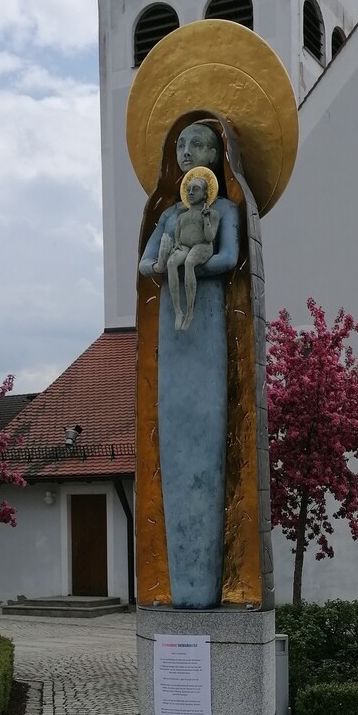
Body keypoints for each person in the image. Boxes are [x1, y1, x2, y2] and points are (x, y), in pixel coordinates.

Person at [138, 121, 241, 609]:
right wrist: (161, 263)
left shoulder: (225, 210)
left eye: (197, 144)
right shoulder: (167, 215)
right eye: (179, 144)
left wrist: (193, 262)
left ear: (217, 155)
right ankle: (184, 590)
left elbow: (229, 258)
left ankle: (202, 589)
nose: (186, 152)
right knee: (176, 433)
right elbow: (145, 263)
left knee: (206, 432)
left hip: (208, 321)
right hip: (172, 326)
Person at [152, 167, 219, 332]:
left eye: (195, 189)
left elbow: (210, 237)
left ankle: (190, 312)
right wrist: (176, 244)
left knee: (189, 263)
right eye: (188, 189)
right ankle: (178, 311)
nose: (190, 192)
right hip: (185, 246)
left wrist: (206, 219)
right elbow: (178, 234)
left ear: (205, 194)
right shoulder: (182, 216)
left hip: (202, 246)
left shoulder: (212, 214)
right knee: (171, 263)